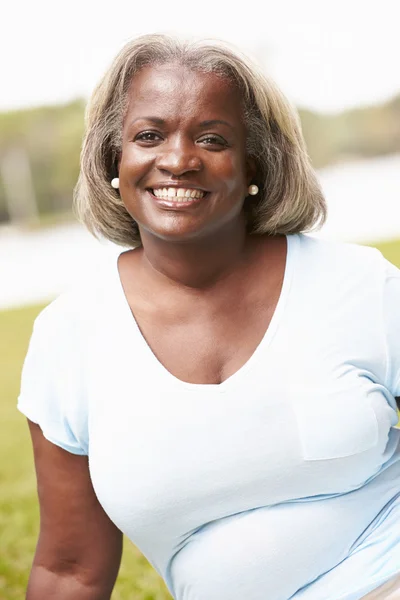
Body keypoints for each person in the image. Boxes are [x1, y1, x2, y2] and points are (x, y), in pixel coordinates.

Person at [18, 34, 400, 600]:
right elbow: (71, 568)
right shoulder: (67, 336)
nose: (177, 159)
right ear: (113, 161)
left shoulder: (360, 284)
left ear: (255, 164)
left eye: (212, 138)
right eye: (148, 135)